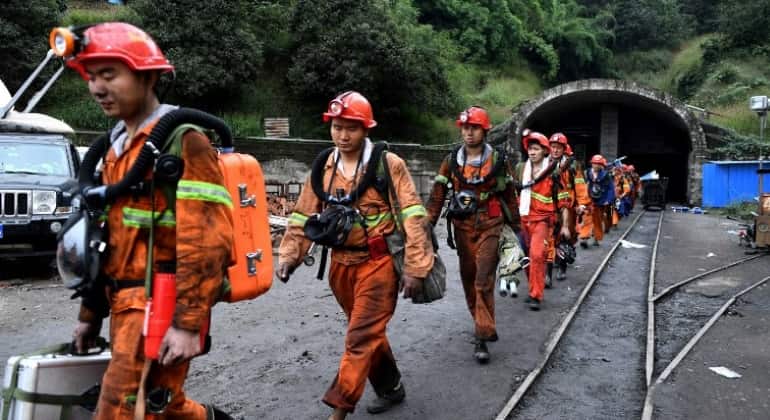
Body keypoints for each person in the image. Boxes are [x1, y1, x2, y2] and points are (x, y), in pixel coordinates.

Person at [67, 23, 234, 419]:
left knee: (119, 407)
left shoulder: (184, 141)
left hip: (161, 302)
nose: (97, 88)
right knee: (163, 405)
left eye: (109, 74)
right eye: (91, 77)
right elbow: (104, 240)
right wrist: (90, 315)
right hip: (124, 302)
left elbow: (207, 241)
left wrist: (189, 323)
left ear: (148, 75)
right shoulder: (113, 148)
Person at [276, 91, 434, 419]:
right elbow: (304, 214)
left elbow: (413, 214)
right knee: (366, 331)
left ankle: (339, 409)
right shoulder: (324, 167)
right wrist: (290, 255)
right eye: (336, 127)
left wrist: (417, 267)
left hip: (378, 265)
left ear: (366, 129)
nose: (343, 135)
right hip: (340, 266)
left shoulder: (388, 165)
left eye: (351, 128)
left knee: (360, 335)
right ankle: (391, 388)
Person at [425, 106, 520, 363]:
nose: (468, 132)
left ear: (484, 131)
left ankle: (482, 335)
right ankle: (480, 320)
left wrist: (519, 229)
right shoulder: (451, 160)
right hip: (462, 226)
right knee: (468, 277)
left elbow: (510, 196)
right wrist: (426, 226)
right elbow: (437, 195)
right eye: (465, 128)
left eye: (474, 128)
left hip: (491, 223)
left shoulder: (498, 161)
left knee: (483, 278)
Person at [513, 130, 570, 310]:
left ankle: (535, 295)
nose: (532, 152)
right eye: (530, 149)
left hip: (543, 221)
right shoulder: (521, 169)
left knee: (537, 255)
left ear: (544, 151)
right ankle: (534, 285)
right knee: (525, 257)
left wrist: (566, 226)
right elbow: (513, 194)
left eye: (536, 149)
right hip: (523, 220)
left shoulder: (554, 173)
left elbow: (563, 202)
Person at [547, 133, 588, 281]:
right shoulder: (544, 163)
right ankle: (548, 273)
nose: (555, 150)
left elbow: (580, 185)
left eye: (558, 147)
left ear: (564, 149)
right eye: (553, 147)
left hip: (568, 208)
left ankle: (562, 268)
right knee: (549, 238)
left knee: (565, 237)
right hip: (549, 206)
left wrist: (582, 203)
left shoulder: (572, 166)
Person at [579, 154, 615, 247]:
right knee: (587, 218)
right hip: (588, 199)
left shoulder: (606, 175)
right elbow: (580, 186)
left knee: (598, 220)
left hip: (600, 201)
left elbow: (611, 188)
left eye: (598, 164)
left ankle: (597, 238)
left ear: (602, 165)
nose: (596, 165)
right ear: (592, 164)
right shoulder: (586, 173)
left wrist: (608, 200)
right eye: (594, 163)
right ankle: (584, 237)